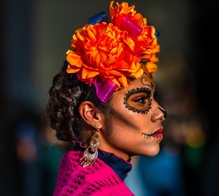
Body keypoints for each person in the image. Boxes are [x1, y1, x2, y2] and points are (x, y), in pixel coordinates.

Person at [46, 1, 166, 195]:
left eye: (154, 97)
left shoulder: (76, 173)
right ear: (93, 115)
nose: (160, 113)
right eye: (141, 100)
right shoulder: (104, 190)